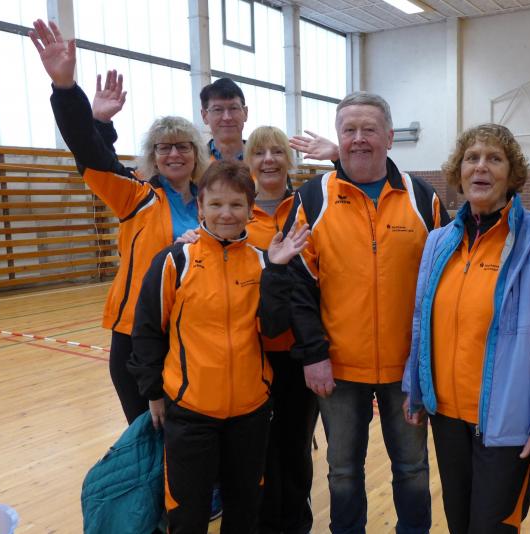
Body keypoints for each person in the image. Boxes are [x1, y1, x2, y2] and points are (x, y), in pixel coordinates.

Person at [29, 19, 209, 424]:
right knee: (147, 437)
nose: (174, 154)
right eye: (163, 147)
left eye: (183, 146)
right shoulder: (136, 196)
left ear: (196, 153)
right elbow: (91, 153)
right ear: (153, 155)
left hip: (195, 331)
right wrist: (66, 90)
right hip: (136, 336)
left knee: (190, 438)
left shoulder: (213, 204)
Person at [287, 91, 449, 533]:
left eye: (369, 129)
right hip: (337, 368)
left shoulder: (422, 197)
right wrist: (313, 354)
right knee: (342, 471)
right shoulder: (312, 198)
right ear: (338, 138)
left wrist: (430, 359)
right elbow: (298, 286)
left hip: (406, 370)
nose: (358, 139)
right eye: (349, 130)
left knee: (413, 467)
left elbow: (446, 282)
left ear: (389, 137)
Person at [403, 124, 530, 533]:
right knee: (459, 523)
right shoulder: (438, 241)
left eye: (494, 158)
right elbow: (422, 320)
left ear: (511, 174)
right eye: (471, 158)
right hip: (447, 417)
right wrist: (416, 387)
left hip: (506, 425)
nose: (480, 167)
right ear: (458, 171)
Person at [129, 159, 311, 534]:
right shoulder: (174, 261)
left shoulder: (263, 263)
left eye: (236, 204)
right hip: (190, 411)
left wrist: (277, 271)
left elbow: (274, 329)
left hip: (251, 413)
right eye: (216, 204)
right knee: (188, 514)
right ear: (200, 207)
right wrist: (153, 392)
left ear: (250, 209)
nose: (226, 214)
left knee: (244, 512)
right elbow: (146, 330)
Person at [245, 127, 320, 534]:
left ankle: (295, 523)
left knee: (295, 443)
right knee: (257, 446)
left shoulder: (310, 204)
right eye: (260, 153)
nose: (269, 159)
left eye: (277, 151)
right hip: (251, 351)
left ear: (289, 160)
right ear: (249, 161)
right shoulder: (238, 211)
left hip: (297, 351)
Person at [200, 78, 249, 161]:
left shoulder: (264, 161)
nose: (227, 117)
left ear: (245, 113)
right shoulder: (195, 162)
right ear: (204, 116)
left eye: (233, 108)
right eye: (218, 109)